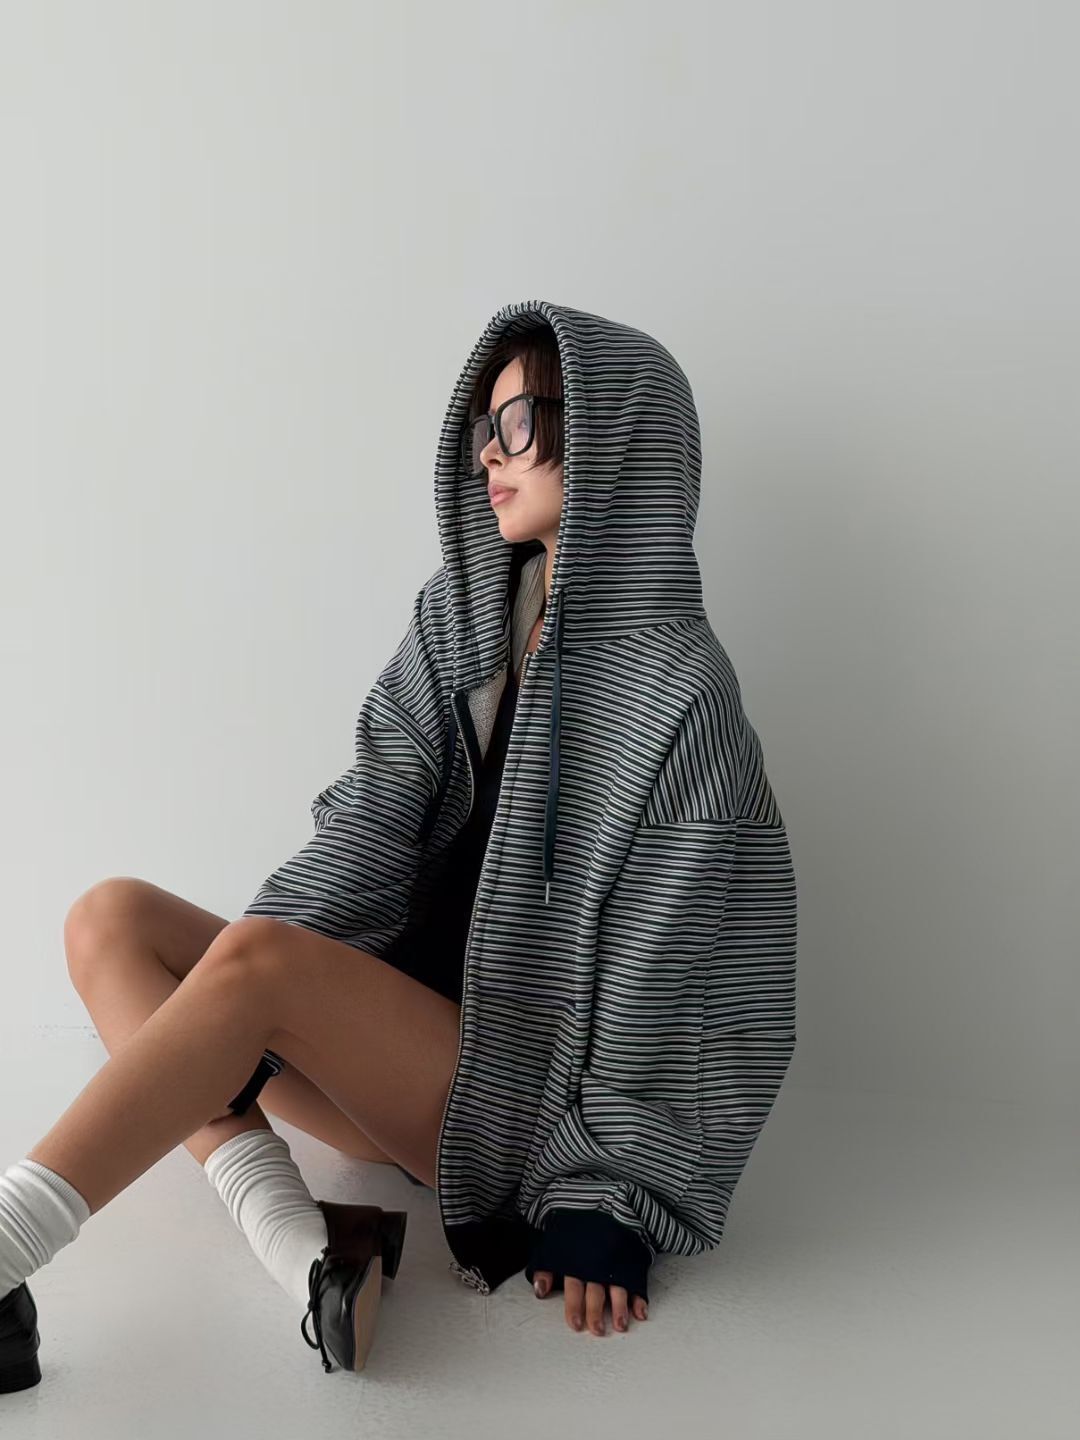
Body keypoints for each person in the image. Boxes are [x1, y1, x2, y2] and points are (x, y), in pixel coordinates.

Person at [0, 300, 797, 1389]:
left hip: (521, 1113)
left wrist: (610, 1201)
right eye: (483, 427)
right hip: (391, 1062)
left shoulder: (683, 694)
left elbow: (685, 981)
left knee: (261, 962)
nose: (489, 453)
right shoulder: (460, 620)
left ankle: (5, 1245)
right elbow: (369, 823)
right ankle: (309, 1246)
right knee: (110, 917)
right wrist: (239, 1019)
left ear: (617, 439)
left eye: (520, 423)